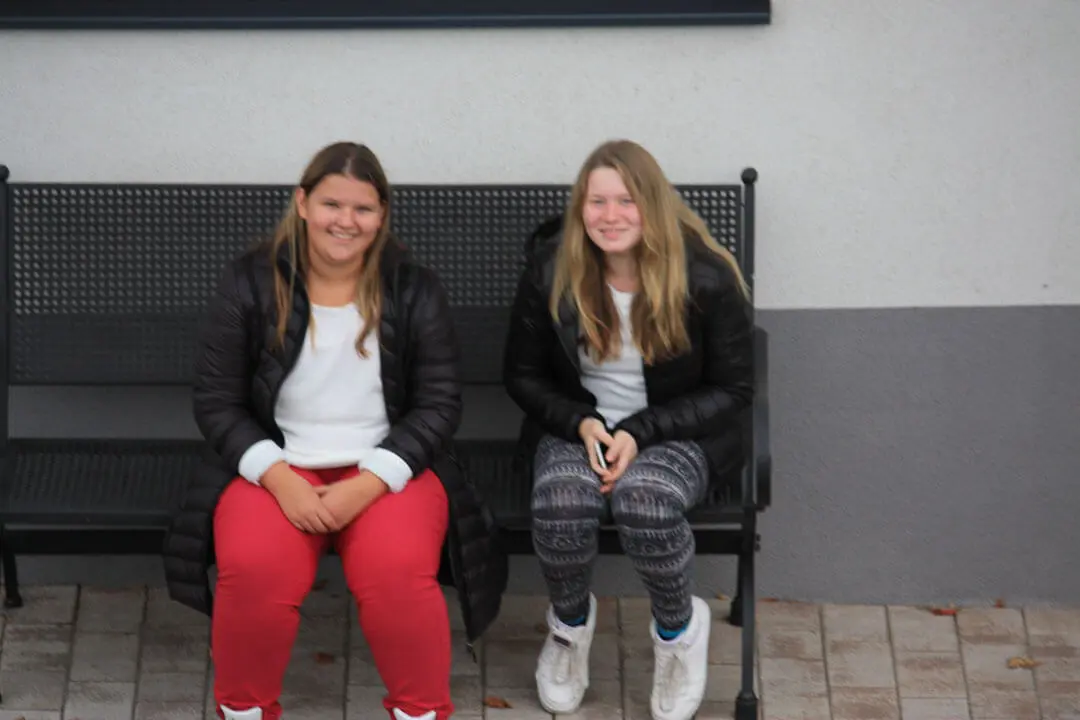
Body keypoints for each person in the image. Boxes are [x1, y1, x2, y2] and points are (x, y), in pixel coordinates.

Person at [162, 141, 507, 720]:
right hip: (275, 467)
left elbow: (439, 404)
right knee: (254, 572)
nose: (346, 221)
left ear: (382, 215)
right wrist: (280, 478)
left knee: (397, 577)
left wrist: (369, 482)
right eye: (331, 204)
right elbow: (217, 402)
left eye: (363, 209)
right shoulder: (250, 282)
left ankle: (419, 712)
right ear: (303, 203)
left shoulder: (413, 287)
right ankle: (244, 712)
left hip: (388, 469)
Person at [502, 139, 754, 720]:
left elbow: (733, 389)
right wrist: (581, 422)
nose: (610, 216)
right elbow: (521, 374)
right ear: (580, 207)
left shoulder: (705, 277)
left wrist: (640, 432)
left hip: (677, 434)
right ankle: (569, 626)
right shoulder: (552, 271)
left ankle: (678, 632)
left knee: (645, 502)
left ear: (653, 206)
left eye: (626, 201)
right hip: (579, 428)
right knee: (562, 504)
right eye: (597, 201)